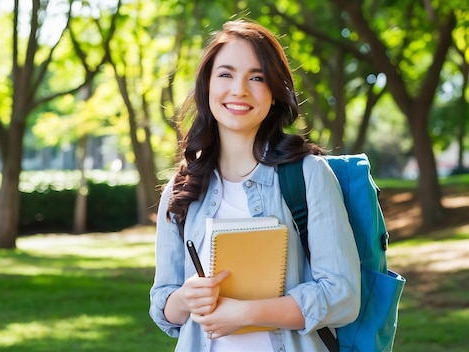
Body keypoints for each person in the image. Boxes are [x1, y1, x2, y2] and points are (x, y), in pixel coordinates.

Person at [149, 19, 361, 351]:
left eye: (257, 77)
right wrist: (186, 297)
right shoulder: (182, 188)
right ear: (207, 86)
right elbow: (164, 307)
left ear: (275, 94)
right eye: (226, 74)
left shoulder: (307, 175)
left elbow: (342, 295)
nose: (239, 90)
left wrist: (246, 313)